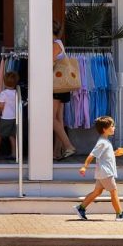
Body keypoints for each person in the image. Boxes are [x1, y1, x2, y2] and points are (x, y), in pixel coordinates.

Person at [75, 115, 123, 221]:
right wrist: (84, 167)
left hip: (103, 172)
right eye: (112, 126)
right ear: (105, 129)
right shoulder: (102, 142)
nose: (114, 128)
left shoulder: (105, 141)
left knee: (97, 192)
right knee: (114, 191)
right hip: (106, 172)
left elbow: (105, 155)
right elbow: (92, 155)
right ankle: (120, 214)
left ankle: (81, 208)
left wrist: (115, 153)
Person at [53, 22, 76, 160]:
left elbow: (50, 63)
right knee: (58, 119)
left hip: (57, 85)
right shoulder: (59, 43)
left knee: (51, 119)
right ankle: (57, 151)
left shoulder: (55, 45)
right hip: (63, 85)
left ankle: (68, 146)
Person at [0, 71, 19, 160]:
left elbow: (1, 106)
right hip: (14, 117)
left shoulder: (3, 93)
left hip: (5, 117)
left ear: (4, 81)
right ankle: (14, 153)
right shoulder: (17, 93)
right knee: (12, 136)